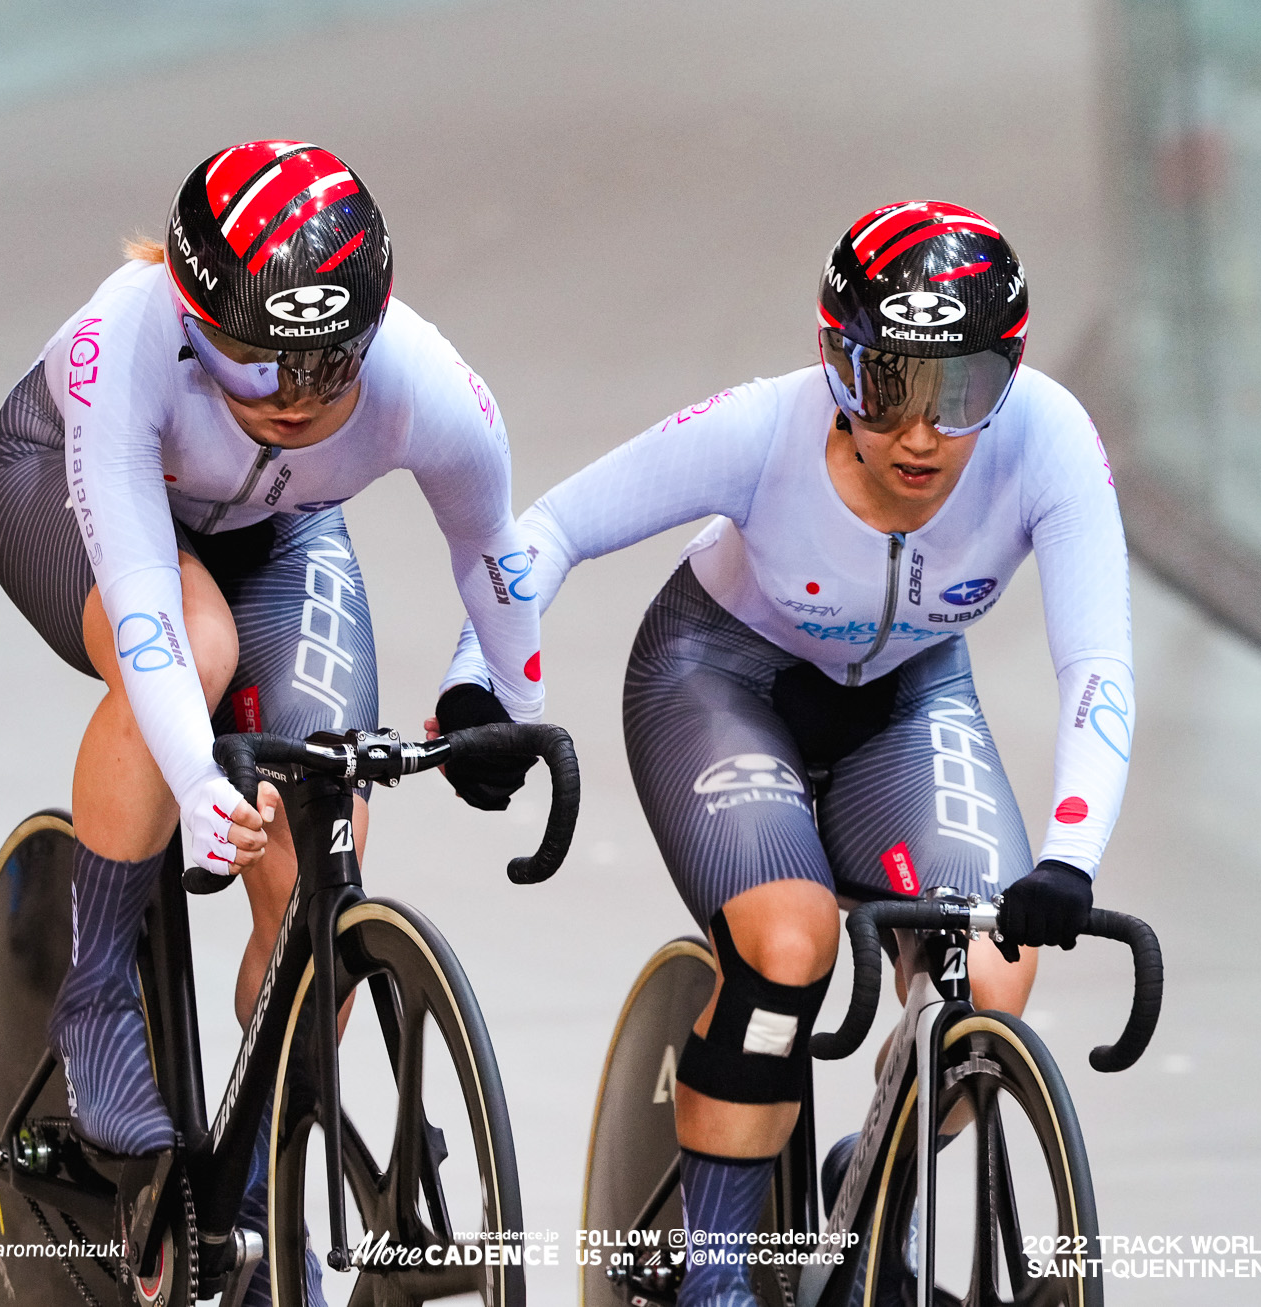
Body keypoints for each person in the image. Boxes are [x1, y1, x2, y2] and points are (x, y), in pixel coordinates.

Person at [444, 201, 1132, 1306]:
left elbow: (1098, 661)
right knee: (785, 942)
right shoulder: (763, 428)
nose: (919, 434)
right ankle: (716, 1280)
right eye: (885, 387)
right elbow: (549, 529)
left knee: (993, 978)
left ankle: (869, 1179)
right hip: (720, 676)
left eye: (959, 392)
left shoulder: (1049, 439)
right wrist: (477, 676)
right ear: (833, 362)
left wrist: (1070, 854)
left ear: (1007, 375)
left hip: (908, 698)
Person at [0, 139, 543, 1302]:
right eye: (250, 359)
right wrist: (194, 778)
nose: (288, 394)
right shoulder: (124, 343)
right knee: (198, 645)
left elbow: (498, 563)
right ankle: (91, 998)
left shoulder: (427, 387)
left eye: (323, 364)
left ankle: (265, 1157)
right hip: (67, 491)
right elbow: (144, 615)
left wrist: (509, 706)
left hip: (284, 530)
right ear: (193, 318)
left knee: (318, 842)